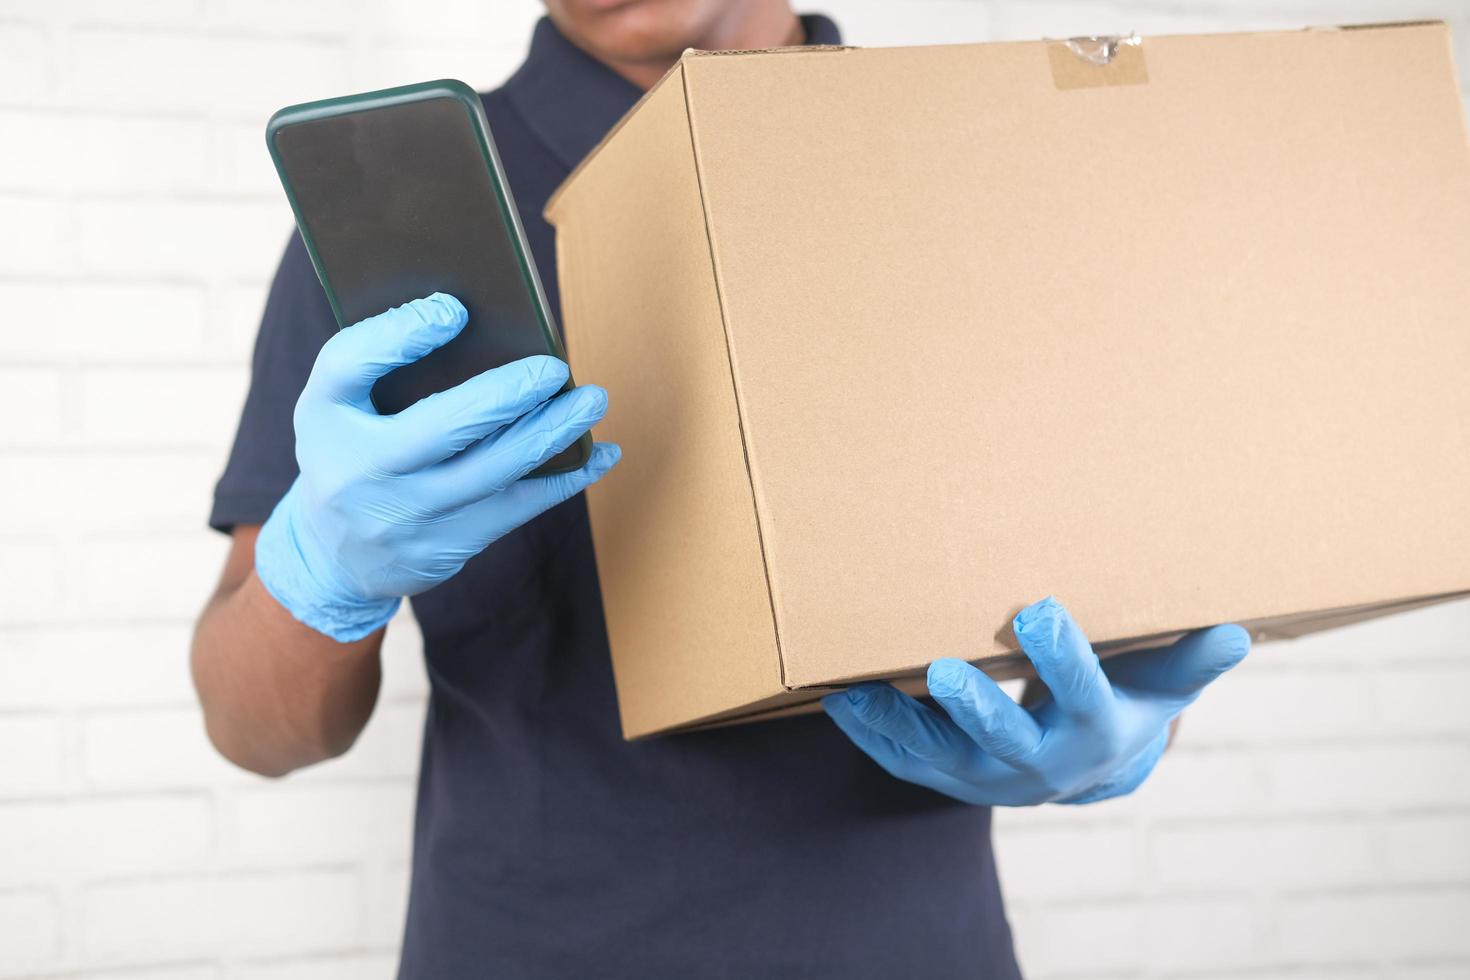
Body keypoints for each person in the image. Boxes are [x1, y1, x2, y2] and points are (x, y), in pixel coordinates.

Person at [192, 2, 1250, 976]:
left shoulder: (973, 151)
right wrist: (321, 570)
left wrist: (1113, 722)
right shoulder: (405, 211)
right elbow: (255, 726)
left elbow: (1111, 559)